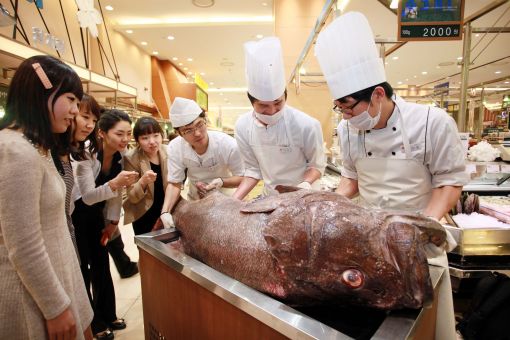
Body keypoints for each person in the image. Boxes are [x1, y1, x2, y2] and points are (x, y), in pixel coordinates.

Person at [315, 11, 469, 340]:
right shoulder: (348, 130)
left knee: (427, 328)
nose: (345, 115)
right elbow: (351, 180)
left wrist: (421, 226)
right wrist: (323, 205)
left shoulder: (431, 122)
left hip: (420, 244)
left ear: (378, 95)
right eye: (339, 107)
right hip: (371, 244)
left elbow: (449, 181)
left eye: (349, 106)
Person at [0, 55, 93, 339]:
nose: (75, 111)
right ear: (42, 94)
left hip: (56, 278)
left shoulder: (33, 147)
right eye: (70, 99)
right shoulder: (15, 151)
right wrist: (55, 307)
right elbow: (24, 243)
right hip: (34, 297)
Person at [72, 109, 139, 339]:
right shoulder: (85, 156)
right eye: (119, 134)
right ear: (102, 133)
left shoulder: (121, 157)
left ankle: (108, 314)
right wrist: (115, 182)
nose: (125, 139)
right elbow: (87, 196)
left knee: (101, 265)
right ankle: (93, 322)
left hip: (98, 217)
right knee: (83, 271)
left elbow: (115, 195)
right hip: (78, 216)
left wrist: (112, 222)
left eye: (128, 133)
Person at [233, 37, 326, 200]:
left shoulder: (306, 124)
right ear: (252, 102)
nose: (272, 111)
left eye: (278, 103)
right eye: (263, 106)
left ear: (285, 96)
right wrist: (233, 201)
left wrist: (303, 186)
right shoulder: (242, 126)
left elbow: (316, 166)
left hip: (304, 197)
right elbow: (253, 170)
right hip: (270, 197)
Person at [158, 97, 244, 228]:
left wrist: (222, 181)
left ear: (205, 120)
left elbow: (243, 178)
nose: (197, 133)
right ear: (179, 133)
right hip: (196, 201)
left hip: (227, 200)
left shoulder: (227, 144)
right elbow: (175, 182)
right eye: (188, 130)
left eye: (199, 124)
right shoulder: (175, 147)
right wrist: (165, 211)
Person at [52, 93, 100, 261]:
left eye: (94, 121)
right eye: (85, 117)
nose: (90, 125)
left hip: (66, 229)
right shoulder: (44, 152)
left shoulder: (73, 151)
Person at [123, 117, 169, 235]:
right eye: (145, 138)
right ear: (137, 141)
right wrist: (142, 182)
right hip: (144, 214)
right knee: (147, 251)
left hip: (167, 210)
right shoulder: (131, 158)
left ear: (161, 136)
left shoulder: (169, 151)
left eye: (156, 135)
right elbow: (132, 197)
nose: (152, 141)